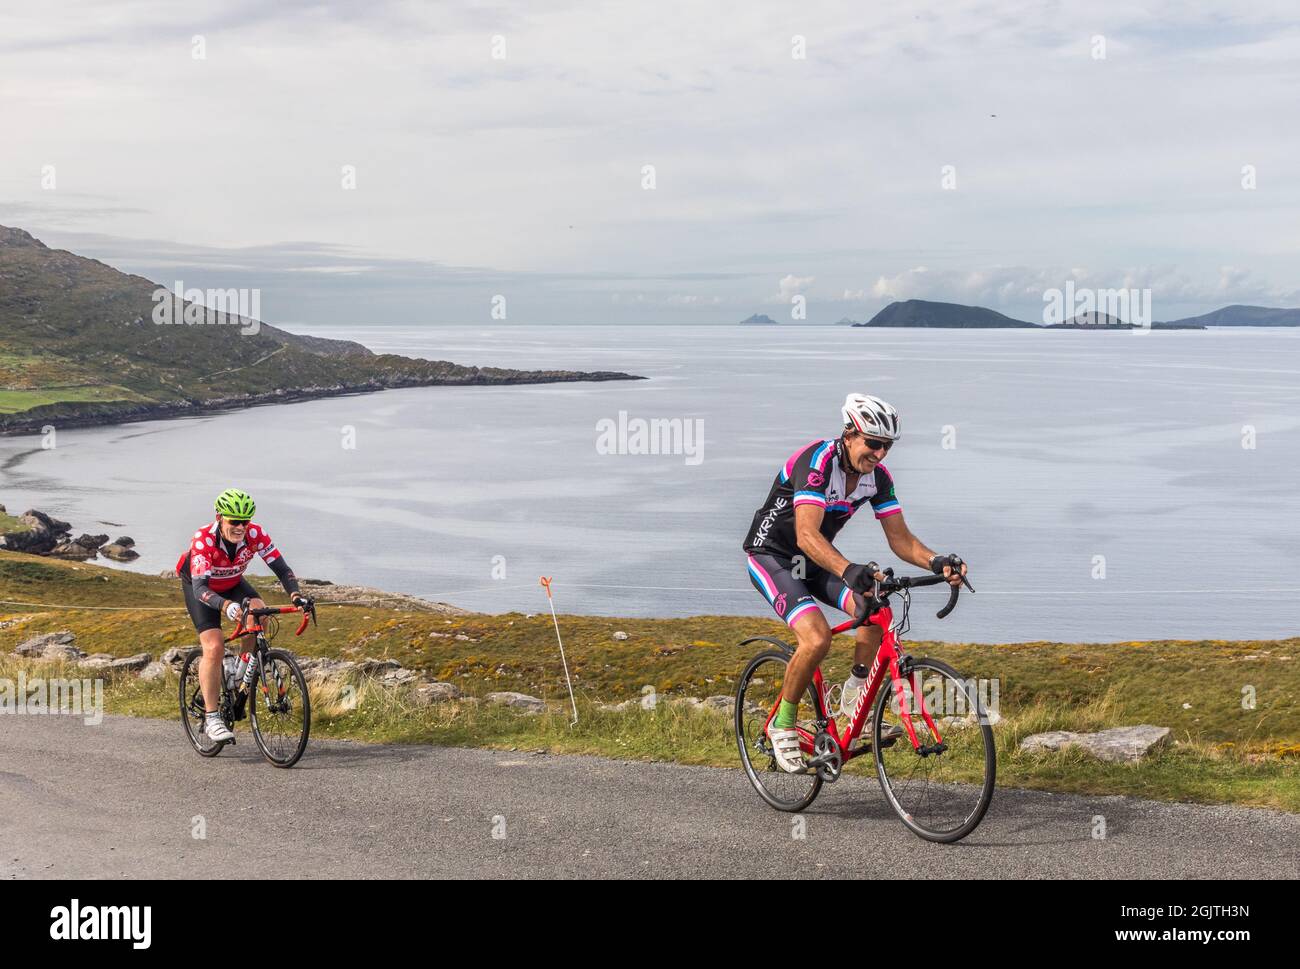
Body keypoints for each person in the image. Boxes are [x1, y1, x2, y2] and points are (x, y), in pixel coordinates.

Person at [742, 394, 968, 772]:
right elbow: (806, 535)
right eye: (873, 443)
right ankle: (782, 724)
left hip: (814, 559)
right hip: (773, 556)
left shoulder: (877, 479)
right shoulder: (816, 463)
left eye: (887, 446)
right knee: (816, 638)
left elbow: (901, 540)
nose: (880, 454)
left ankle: (853, 695)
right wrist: (847, 569)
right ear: (849, 435)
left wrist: (937, 560)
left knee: (875, 605)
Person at [176, 488, 309, 743]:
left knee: (260, 612)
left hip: (232, 581)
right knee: (214, 647)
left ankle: (241, 665)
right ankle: (212, 717)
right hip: (201, 587)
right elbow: (201, 588)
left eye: (245, 521)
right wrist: (226, 606)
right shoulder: (204, 539)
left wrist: (296, 595)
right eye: (233, 521)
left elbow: (280, 568)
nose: (240, 527)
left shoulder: (255, 534)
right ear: (219, 518)